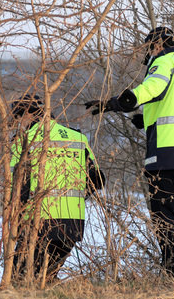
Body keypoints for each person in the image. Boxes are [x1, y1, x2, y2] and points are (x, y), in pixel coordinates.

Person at [86, 27, 174, 276]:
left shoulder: (164, 62)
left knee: (163, 215)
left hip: (167, 152)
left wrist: (117, 102)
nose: (146, 55)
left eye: (147, 49)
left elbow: (152, 88)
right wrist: (145, 120)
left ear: (156, 46)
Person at [10, 95, 105, 281]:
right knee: (46, 277)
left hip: (37, 222)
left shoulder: (23, 141)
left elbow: (18, 187)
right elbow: (98, 180)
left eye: (18, 117)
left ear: (28, 115)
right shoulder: (77, 137)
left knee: (20, 278)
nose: (18, 123)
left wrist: (17, 219)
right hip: (72, 223)